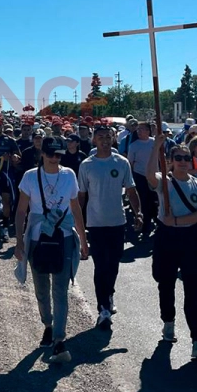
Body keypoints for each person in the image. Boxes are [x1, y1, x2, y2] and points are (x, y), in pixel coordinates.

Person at [13, 137, 89, 364]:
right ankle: (48, 323)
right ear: (42, 154)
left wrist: (84, 240)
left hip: (63, 238)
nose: (55, 159)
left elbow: (75, 208)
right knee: (41, 289)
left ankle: (59, 339)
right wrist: (19, 241)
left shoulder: (69, 175)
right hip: (38, 239)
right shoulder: (29, 177)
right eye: (52, 154)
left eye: (59, 155)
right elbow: (21, 211)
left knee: (60, 290)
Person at [145, 133, 197, 359]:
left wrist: (177, 221)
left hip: (191, 240)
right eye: (178, 158)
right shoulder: (163, 181)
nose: (183, 162)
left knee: (193, 290)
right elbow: (149, 176)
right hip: (167, 239)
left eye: (186, 158)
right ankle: (168, 322)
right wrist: (156, 146)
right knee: (166, 284)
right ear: (171, 160)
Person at [78, 125, 141, 329]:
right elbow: (81, 196)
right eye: (100, 137)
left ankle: (109, 293)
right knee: (100, 265)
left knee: (113, 264)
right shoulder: (87, 165)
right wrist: (78, 223)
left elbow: (131, 190)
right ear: (94, 140)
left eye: (108, 137)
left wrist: (138, 212)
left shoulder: (121, 163)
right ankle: (103, 308)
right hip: (95, 223)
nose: (104, 140)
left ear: (113, 139)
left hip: (117, 222)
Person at [127, 122, 158, 236]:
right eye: (138, 129)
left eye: (142, 129)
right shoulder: (134, 145)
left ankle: (157, 222)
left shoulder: (154, 143)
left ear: (148, 131)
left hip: (154, 175)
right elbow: (130, 163)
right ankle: (145, 226)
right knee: (144, 202)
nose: (139, 131)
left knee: (155, 201)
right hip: (140, 176)